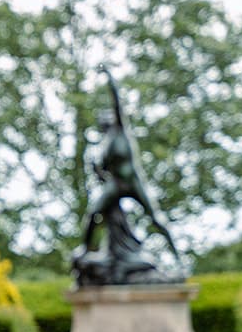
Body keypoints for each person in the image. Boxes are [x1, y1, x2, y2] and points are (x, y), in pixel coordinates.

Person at [71, 67, 182, 287]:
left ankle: (179, 260)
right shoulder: (103, 145)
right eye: (101, 117)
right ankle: (86, 249)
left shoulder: (121, 131)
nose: (104, 118)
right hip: (116, 184)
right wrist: (98, 172)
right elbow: (102, 173)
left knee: (156, 218)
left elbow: (117, 103)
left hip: (132, 181)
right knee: (94, 214)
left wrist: (110, 79)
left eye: (108, 115)